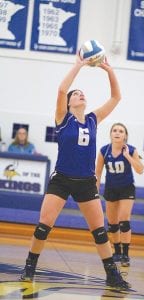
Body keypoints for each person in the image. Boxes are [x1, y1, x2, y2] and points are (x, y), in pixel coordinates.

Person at [20, 55, 131, 290]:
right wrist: (79, 65)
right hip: (61, 179)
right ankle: (30, 267)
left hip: (85, 182)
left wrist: (109, 70)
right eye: (76, 94)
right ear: (70, 103)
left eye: (82, 93)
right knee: (43, 225)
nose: (80, 94)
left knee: (100, 232)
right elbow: (62, 89)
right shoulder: (63, 118)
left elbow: (116, 97)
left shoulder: (93, 119)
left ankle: (112, 275)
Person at [96, 123, 144, 267]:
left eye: (121, 131)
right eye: (114, 130)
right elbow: (98, 172)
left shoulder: (132, 150)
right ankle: (117, 252)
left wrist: (127, 156)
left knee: (124, 221)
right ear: (111, 134)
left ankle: (125, 254)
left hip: (126, 189)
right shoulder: (104, 150)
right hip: (111, 189)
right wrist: (95, 190)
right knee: (112, 224)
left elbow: (140, 169)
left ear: (125, 136)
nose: (117, 133)